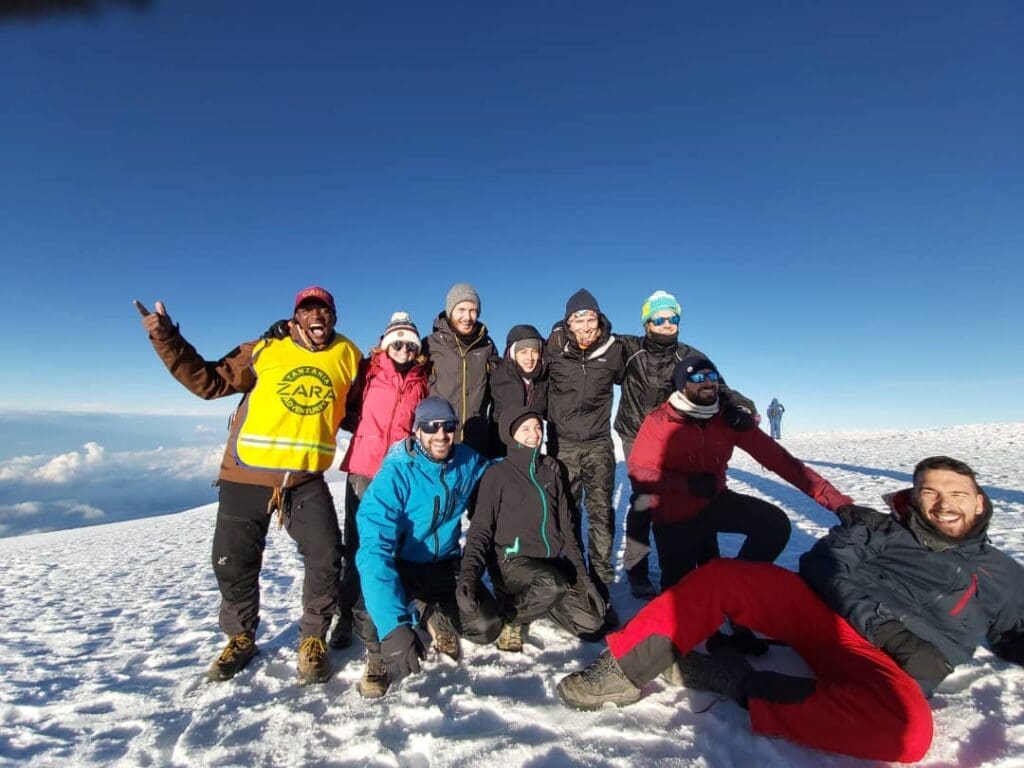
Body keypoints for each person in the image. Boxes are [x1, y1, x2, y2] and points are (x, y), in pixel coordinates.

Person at [557, 456, 1024, 762]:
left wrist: (906, 647)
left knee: (910, 735)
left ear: (980, 502)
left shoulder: (1003, 575)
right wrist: (880, 622)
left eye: (957, 494)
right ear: (915, 497)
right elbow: (823, 565)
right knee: (723, 577)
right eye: (931, 492)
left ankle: (733, 682)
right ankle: (617, 672)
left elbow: (1014, 634)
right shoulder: (880, 528)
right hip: (825, 619)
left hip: (890, 667)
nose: (944, 504)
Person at [135, 287, 361, 685]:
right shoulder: (264, 348)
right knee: (233, 561)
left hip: (303, 479)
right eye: (308, 309)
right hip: (245, 475)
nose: (317, 316)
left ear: (334, 318)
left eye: (324, 310)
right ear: (296, 317)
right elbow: (209, 381)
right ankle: (240, 637)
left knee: (326, 558)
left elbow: (362, 408)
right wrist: (166, 338)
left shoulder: (348, 355)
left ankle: (312, 640)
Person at [628, 353, 850, 593]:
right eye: (698, 377)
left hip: (715, 501)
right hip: (675, 514)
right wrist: (686, 485)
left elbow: (782, 462)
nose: (707, 382)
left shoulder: (729, 419)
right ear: (682, 385)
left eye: (711, 375)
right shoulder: (660, 420)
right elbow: (639, 472)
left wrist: (838, 503)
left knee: (773, 524)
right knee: (680, 593)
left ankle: (736, 584)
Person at [354, 396, 503, 698]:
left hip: (446, 564)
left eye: (448, 426)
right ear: (416, 431)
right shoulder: (396, 474)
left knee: (486, 626)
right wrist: (393, 627)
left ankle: (430, 613)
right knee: (373, 617)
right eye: (431, 427)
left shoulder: (465, 460)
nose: (441, 434)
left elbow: (496, 471)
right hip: (403, 565)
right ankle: (378, 655)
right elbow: (373, 550)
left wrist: (531, 463)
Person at [614, 290, 756, 600]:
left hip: (675, 436)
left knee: (690, 495)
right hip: (636, 434)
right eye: (659, 318)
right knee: (645, 499)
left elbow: (719, 388)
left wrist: (740, 404)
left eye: (673, 318)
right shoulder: (628, 349)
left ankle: (705, 561)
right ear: (646, 322)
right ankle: (637, 569)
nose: (667, 324)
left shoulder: (691, 356)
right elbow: (595, 339)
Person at [459, 406, 606, 652]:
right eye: (525, 429)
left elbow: (568, 530)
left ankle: (539, 603)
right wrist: (468, 576)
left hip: (549, 565)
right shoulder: (497, 474)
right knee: (552, 584)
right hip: (511, 562)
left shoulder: (551, 471)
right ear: (511, 435)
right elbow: (480, 531)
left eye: (538, 427)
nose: (534, 434)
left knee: (592, 623)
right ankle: (512, 617)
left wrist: (583, 578)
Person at [329, 312, 430, 650]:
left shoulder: (421, 379)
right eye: (397, 343)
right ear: (387, 345)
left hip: (401, 472)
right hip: (364, 469)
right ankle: (346, 615)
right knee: (358, 545)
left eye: (410, 345)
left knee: (394, 546)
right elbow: (344, 405)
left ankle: (388, 613)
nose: (403, 349)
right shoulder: (368, 372)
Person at [544, 289, 626, 628]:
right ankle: (577, 578)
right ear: (567, 321)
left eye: (590, 317)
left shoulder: (615, 349)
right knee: (566, 511)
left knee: (601, 513)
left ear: (599, 319)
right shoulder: (552, 348)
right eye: (578, 318)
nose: (585, 325)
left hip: (598, 443)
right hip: (562, 443)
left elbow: (640, 378)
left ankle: (601, 583)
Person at [421, 283, 500, 456]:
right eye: (461, 309)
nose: (467, 317)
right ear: (450, 311)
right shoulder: (430, 344)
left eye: (473, 310)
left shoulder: (487, 346)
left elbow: (499, 385)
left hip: (477, 439)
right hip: (440, 437)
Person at [489, 324, 548, 457]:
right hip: (501, 452)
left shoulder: (543, 380)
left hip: (533, 449)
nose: (530, 358)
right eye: (523, 352)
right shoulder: (496, 377)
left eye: (534, 351)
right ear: (513, 354)